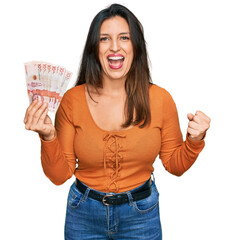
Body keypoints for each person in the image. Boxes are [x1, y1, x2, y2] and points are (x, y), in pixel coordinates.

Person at [24, 3, 210, 240]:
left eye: (124, 37)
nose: (114, 47)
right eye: (104, 39)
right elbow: (59, 175)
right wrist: (48, 137)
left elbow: (175, 165)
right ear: (95, 48)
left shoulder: (161, 99)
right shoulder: (72, 100)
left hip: (142, 215)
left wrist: (195, 140)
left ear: (136, 46)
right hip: (83, 215)